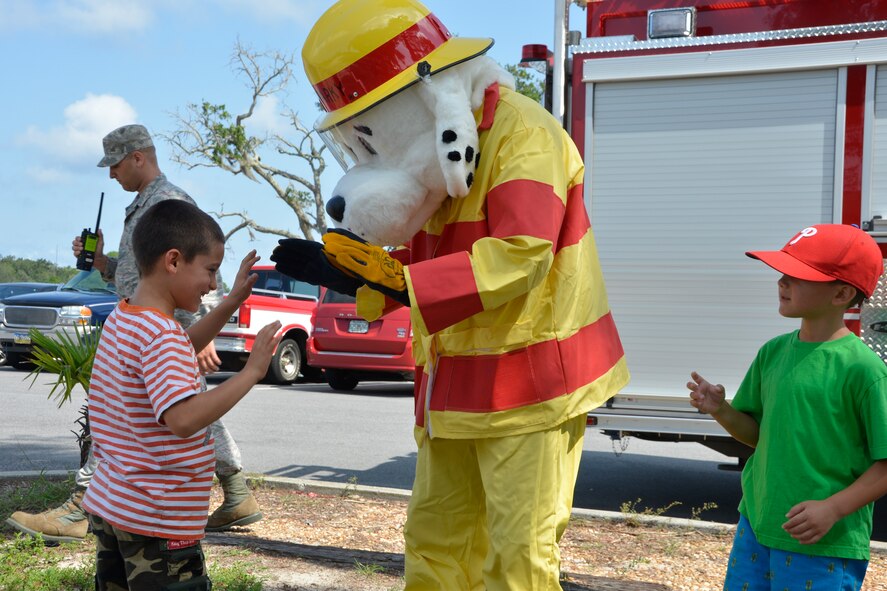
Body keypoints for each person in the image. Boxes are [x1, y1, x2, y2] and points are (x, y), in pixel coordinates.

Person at [272, 1, 630, 587]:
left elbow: (521, 253)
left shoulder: (526, 135)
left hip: (533, 387)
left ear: (423, 94)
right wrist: (365, 280)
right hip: (454, 389)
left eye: (370, 130)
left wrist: (395, 281)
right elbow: (426, 262)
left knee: (517, 558)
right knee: (436, 544)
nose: (371, 152)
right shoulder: (442, 156)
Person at [6, 124, 261, 543]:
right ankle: (234, 492)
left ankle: (83, 506)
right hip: (142, 324)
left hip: (165, 329)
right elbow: (138, 275)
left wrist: (207, 330)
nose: (112, 175)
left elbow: (197, 267)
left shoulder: (169, 203)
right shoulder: (143, 205)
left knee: (161, 416)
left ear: (138, 157)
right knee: (159, 415)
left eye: (116, 164)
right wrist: (101, 260)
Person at [82, 198, 281, 590]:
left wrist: (232, 301)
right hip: (158, 517)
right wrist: (253, 371)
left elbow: (181, 348)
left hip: (116, 505)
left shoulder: (127, 318)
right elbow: (184, 418)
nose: (212, 283)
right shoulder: (161, 336)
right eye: (209, 270)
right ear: (172, 261)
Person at [688, 224, 887, 590]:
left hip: (822, 541)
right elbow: (757, 435)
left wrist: (833, 508)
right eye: (782, 272)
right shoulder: (773, 352)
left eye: (797, 276)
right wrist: (722, 410)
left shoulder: (864, 370)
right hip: (757, 524)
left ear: (841, 293)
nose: (781, 282)